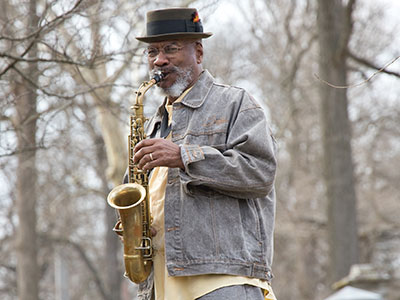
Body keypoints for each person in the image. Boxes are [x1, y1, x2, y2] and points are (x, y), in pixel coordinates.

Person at [131, 7, 277, 300]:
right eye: (152, 52)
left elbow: (260, 173)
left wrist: (184, 157)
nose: (159, 60)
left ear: (198, 53)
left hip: (221, 282)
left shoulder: (235, 102)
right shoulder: (153, 125)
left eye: (171, 49)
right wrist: (133, 223)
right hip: (160, 285)